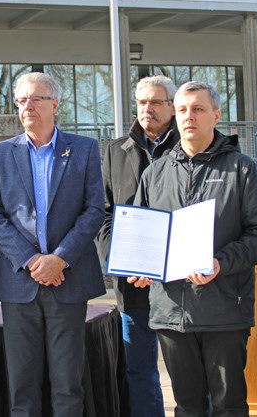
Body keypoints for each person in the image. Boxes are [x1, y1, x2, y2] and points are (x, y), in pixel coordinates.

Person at [132, 81, 257, 416]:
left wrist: (221, 262)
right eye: (182, 109)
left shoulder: (240, 168)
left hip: (224, 311)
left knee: (228, 406)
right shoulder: (155, 173)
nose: (189, 117)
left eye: (198, 109)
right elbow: (143, 236)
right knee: (186, 407)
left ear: (216, 115)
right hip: (170, 311)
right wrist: (140, 266)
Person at [0, 72, 106, 416]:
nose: (28, 107)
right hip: (19, 281)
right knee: (22, 386)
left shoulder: (84, 149)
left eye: (36, 99)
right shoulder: (2, 153)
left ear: (55, 104)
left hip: (68, 279)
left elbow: (95, 209)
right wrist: (32, 260)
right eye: (22, 100)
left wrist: (60, 259)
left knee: (68, 385)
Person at [97, 75, 178, 417]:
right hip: (133, 286)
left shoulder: (189, 147)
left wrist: (165, 264)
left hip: (180, 285)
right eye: (142, 102)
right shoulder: (116, 151)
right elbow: (103, 215)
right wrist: (125, 263)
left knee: (188, 374)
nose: (148, 108)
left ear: (172, 108)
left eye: (157, 102)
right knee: (140, 372)